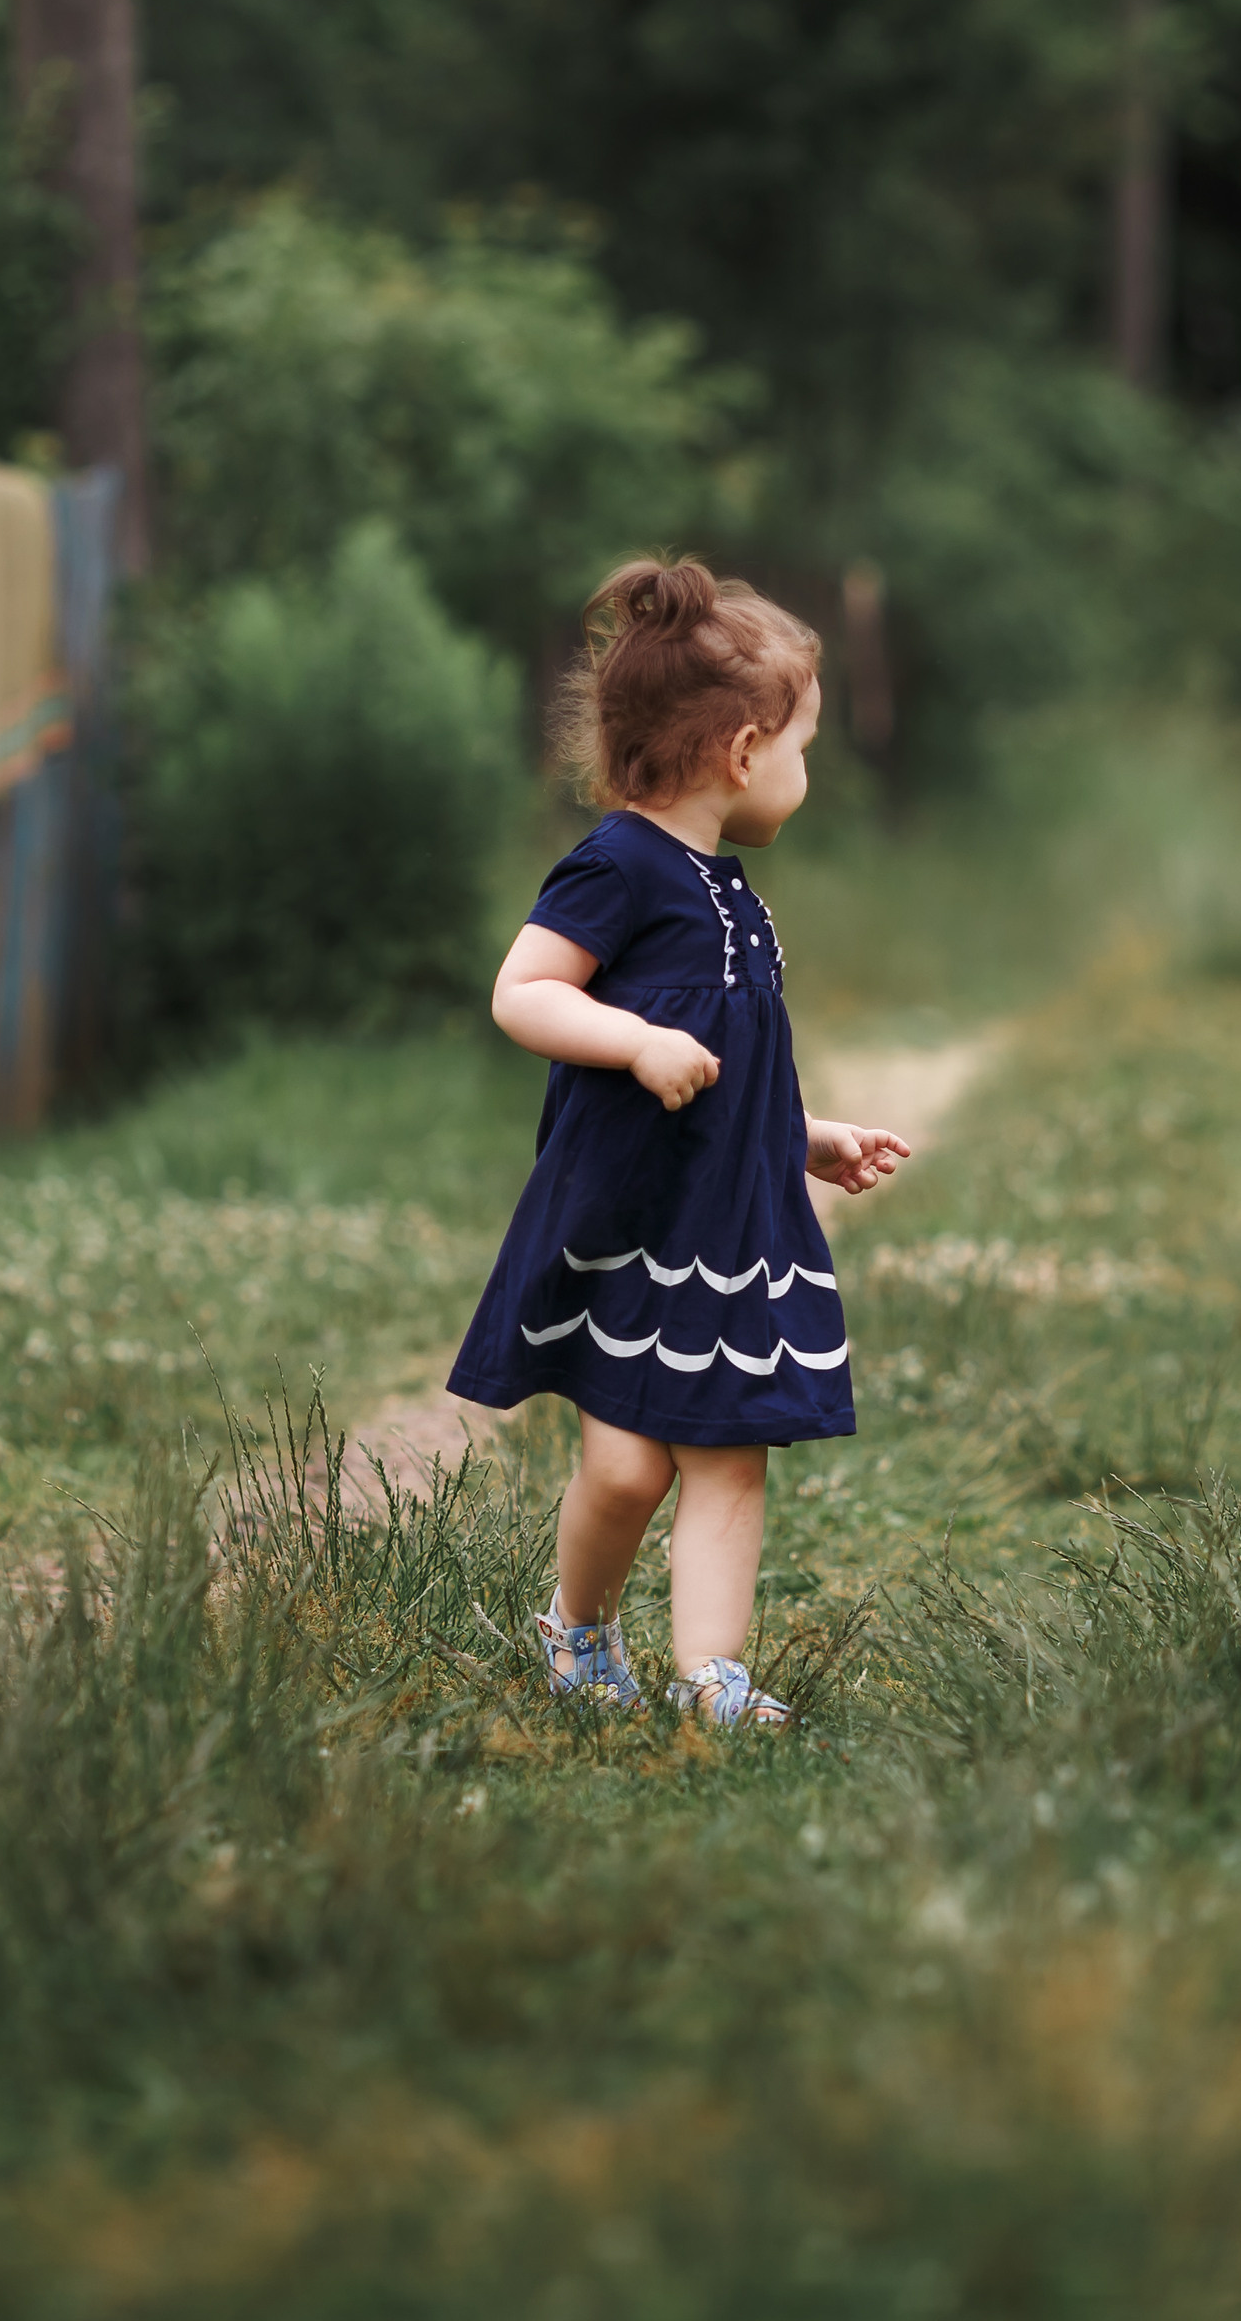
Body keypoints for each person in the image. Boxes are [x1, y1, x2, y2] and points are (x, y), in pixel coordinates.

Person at [447, 557, 909, 1726]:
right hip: (633, 1220)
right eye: (801, 745)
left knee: (726, 1453)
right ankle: (576, 1630)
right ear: (744, 752)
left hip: (730, 1222)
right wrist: (630, 1041)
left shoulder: (731, 891)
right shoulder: (620, 864)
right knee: (626, 1466)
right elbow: (524, 992)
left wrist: (807, 1138)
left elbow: (730, 1072)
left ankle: (711, 1677)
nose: (801, 770)